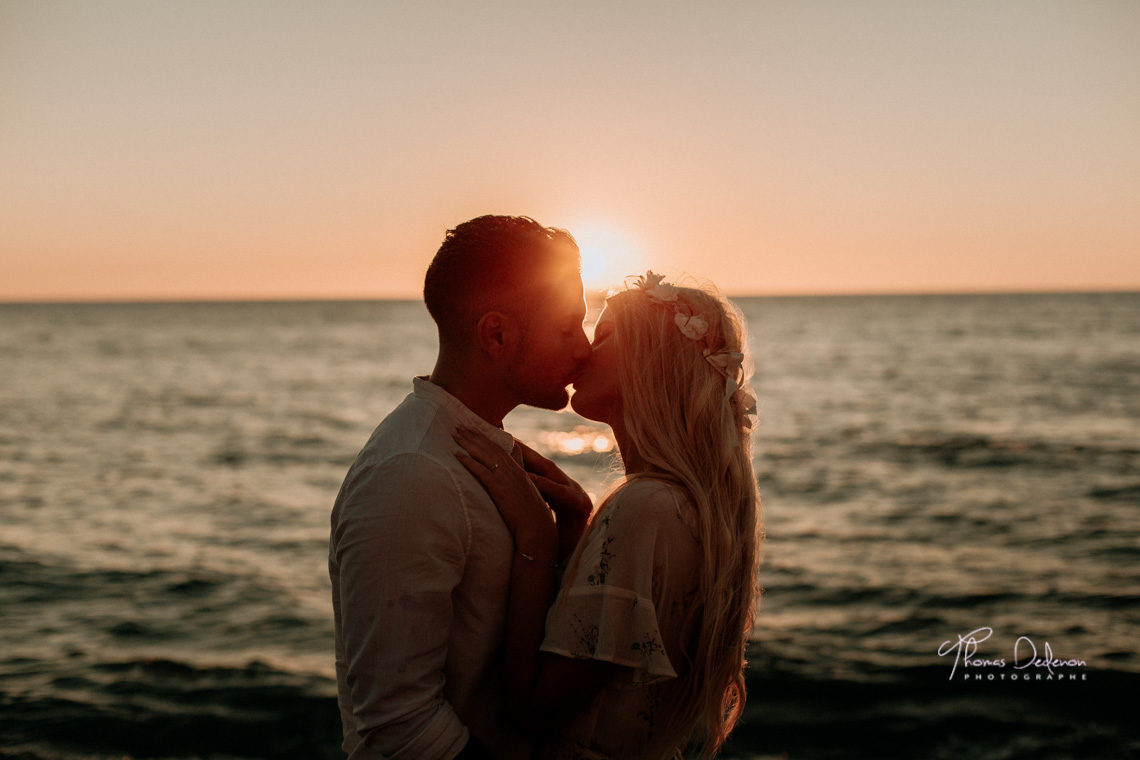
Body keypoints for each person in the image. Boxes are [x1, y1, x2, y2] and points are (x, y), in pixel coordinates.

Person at [453, 271, 763, 760]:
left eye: (603, 337)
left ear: (651, 359)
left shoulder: (646, 507)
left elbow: (534, 710)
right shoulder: (683, 504)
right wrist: (576, 527)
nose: (580, 352)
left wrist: (534, 536)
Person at [328, 215, 592, 760]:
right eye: (567, 329)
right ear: (496, 335)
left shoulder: (480, 453)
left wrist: (567, 531)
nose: (584, 348)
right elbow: (398, 726)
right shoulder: (413, 476)